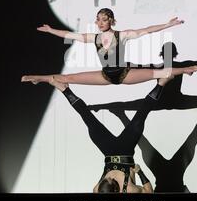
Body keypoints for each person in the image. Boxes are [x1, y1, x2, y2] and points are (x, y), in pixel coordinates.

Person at [46, 75, 175, 193]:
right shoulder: (129, 190)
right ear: (115, 188)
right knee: (141, 116)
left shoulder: (97, 190)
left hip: (108, 151)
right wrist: (140, 172)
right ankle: (161, 84)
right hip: (126, 150)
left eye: (105, 179)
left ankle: (64, 89)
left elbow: (97, 189)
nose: (110, 177)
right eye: (110, 180)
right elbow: (149, 192)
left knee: (88, 118)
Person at [21, 8, 197, 86]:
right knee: (69, 78)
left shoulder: (121, 35)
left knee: (162, 73)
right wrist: (51, 30)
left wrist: (168, 24)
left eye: (104, 19)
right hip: (105, 76)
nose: (100, 23)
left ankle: (186, 69)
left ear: (111, 21)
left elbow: (146, 30)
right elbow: (69, 35)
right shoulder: (94, 37)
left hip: (124, 74)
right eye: (98, 19)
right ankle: (38, 78)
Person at [89, 42, 197, 112]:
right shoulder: (169, 66)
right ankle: (96, 107)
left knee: (128, 105)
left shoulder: (160, 66)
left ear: (163, 54)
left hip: (169, 101)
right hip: (170, 101)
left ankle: (95, 107)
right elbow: (131, 64)